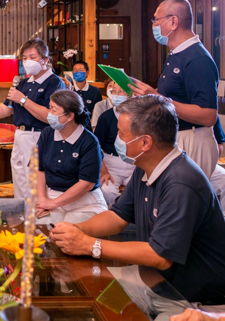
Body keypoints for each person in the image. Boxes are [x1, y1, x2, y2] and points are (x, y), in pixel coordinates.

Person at [50, 95, 225, 305]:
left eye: (121, 134)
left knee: (118, 319)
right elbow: (118, 216)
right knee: (95, 296)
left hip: (190, 298)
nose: (116, 138)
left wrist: (90, 245)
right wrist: (76, 229)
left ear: (145, 142)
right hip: (153, 279)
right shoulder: (145, 167)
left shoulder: (181, 182)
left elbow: (160, 256)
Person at [131, 0, 219, 178]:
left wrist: (157, 98)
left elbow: (208, 115)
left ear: (173, 21)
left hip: (193, 138)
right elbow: (171, 95)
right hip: (174, 135)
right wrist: (147, 93)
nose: (154, 25)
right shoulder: (176, 53)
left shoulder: (197, 58)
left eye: (156, 20)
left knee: (186, 201)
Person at [0, 38, 66, 200]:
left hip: (40, 136)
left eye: (32, 57)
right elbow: (5, 109)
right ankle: (22, 217)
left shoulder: (54, 82)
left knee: (35, 182)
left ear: (45, 60)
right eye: (24, 58)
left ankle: (38, 221)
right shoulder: (23, 82)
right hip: (20, 135)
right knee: (19, 179)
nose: (27, 62)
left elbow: (50, 116)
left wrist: (23, 100)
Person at [35, 90, 107, 223]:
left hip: (84, 201)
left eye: (54, 110)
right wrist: (42, 200)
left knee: (67, 232)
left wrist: (53, 204)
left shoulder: (89, 141)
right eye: (49, 108)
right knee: (41, 232)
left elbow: (86, 184)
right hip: (51, 196)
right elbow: (40, 170)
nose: (49, 114)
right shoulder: (46, 134)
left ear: (69, 116)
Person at [94, 82, 135, 205]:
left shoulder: (140, 116)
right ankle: (118, 212)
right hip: (111, 165)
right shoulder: (106, 117)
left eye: (121, 91)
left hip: (134, 164)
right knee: (106, 190)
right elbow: (96, 148)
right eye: (114, 91)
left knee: (143, 190)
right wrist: (104, 172)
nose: (116, 95)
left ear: (130, 94)